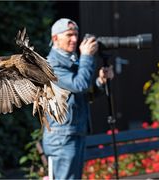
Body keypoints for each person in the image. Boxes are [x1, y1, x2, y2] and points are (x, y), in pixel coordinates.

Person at [42, 18, 114, 179]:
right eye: (69, 35)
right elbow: (80, 84)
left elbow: (83, 95)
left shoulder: (70, 61)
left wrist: (100, 82)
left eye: (76, 34)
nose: (74, 39)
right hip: (61, 139)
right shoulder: (52, 65)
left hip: (74, 133)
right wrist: (87, 56)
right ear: (55, 38)